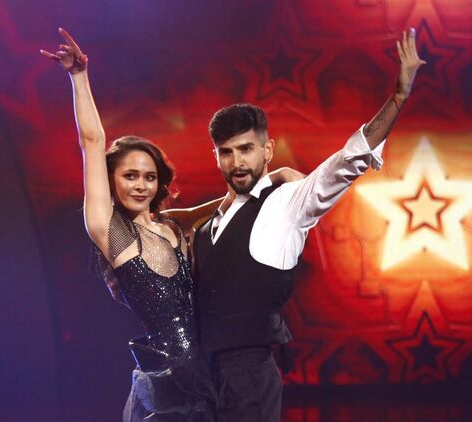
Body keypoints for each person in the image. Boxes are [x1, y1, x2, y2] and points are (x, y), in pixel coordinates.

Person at [40, 28, 303, 421]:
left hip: (213, 376)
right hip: (168, 388)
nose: (140, 185)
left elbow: (231, 202)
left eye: (149, 177)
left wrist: (274, 177)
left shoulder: (173, 227)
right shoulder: (112, 232)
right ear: (111, 182)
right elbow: (92, 142)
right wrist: (79, 77)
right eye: (130, 176)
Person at [191, 29, 426, 421]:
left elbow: (346, 162)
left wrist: (398, 97)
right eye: (226, 152)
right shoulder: (207, 225)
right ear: (215, 156)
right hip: (202, 377)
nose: (237, 162)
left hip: (248, 375)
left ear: (267, 149)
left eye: (246, 149)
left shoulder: (286, 203)